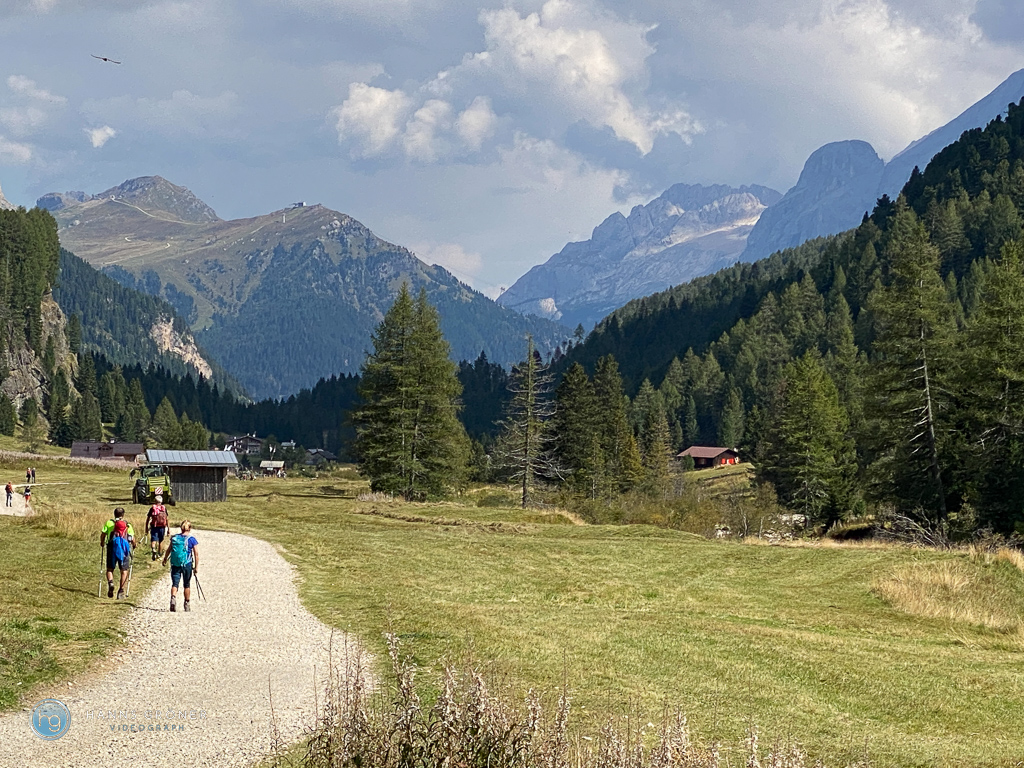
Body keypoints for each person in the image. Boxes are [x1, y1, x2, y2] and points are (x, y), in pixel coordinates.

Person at [162, 520, 198, 613]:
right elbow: (196, 554)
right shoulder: (191, 539)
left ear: (181, 528)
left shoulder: (175, 538)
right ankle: (187, 604)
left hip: (175, 564)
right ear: (189, 528)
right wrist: (196, 567)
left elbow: (169, 550)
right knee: (186, 584)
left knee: (175, 583)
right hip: (187, 564)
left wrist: (165, 558)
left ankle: (173, 599)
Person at [99, 507, 135, 599]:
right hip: (124, 550)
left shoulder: (109, 523)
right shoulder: (128, 525)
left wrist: (102, 542)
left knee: (110, 569)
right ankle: (121, 590)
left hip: (112, 548)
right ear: (123, 515)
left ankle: (111, 583)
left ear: (114, 514)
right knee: (124, 570)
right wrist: (134, 545)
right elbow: (132, 538)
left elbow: (103, 534)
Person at [145, 494, 169, 561]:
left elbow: (148, 518)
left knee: (153, 540)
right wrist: (168, 529)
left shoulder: (153, 508)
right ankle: (159, 555)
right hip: (162, 527)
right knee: (161, 540)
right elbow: (167, 519)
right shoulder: (163, 508)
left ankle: (153, 549)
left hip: (154, 526)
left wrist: (146, 527)